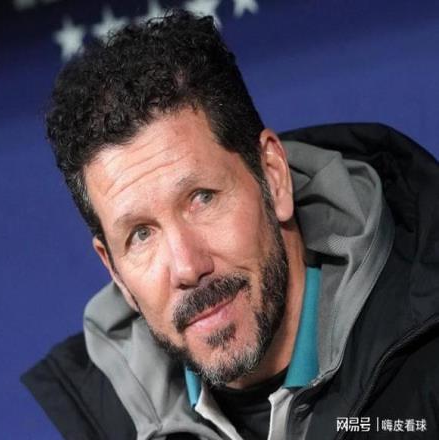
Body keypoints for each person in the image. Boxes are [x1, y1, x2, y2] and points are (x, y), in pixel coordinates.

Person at [22, 10, 439, 440]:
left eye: (202, 198)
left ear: (273, 177)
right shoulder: (108, 419)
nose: (187, 267)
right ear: (114, 270)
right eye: (141, 234)